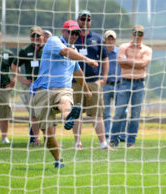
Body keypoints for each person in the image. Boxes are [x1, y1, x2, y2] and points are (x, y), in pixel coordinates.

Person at [30, 20, 98, 168]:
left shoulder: (74, 51)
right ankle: (58, 159)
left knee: (65, 100)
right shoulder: (54, 41)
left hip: (62, 89)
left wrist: (86, 89)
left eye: (76, 33)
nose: (74, 36)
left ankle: (68, 118)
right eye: (71, 32)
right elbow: (65, 52)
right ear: (64, 31)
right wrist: (88, 59)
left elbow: (78, 72)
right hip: (42, 92)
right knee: (48, 135)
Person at [109, 25, 152, 148]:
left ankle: (131, 141)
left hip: (139, 83)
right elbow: (120, 62)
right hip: (125, 82)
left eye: (140, 34)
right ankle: (113, 140)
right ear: (132, 34)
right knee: (119, 112)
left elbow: (144, 63)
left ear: (143, 36)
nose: (137, 36)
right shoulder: (123, 47)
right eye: (135, 34)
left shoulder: (147, 49)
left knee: (135, 114)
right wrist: (136, 63)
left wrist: (128, 61)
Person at [73, 10, 110, 150]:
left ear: (91, 22)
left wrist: (104, 77)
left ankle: (103, 143)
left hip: (93, 81)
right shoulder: (72, 37)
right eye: (83, 19)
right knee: (76, 113)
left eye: (88, 19)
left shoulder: (97, 38)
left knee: (97, 114)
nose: (85, 22)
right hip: (75, 82)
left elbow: (105, 58)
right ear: (78, 20)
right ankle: (78, 143)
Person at [12, 26, 44, 146]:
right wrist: (22, 80)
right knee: (34, 115)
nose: (36, 38)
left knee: (48, 114)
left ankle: (50, 139)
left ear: (43, 36)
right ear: (30, 38)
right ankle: (36, 139)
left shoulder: (47, 49)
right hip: (32, 87)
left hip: (47, 86)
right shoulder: (25, 50)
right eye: (33, 36)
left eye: (38, 36)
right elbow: (14, 65)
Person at [102, 30, 126, 141]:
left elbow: (125, 66)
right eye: (108, 38)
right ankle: (107, 136)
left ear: (115, 40)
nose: (110, 41)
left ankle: (121, 134)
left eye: (112, 39)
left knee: (122, 111)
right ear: (105, 39)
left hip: (118, 85)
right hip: (106, 85)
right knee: (106, 113)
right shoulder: (101, 52)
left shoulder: (120, 53)